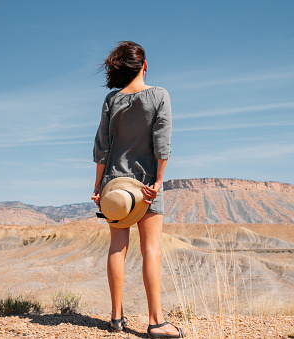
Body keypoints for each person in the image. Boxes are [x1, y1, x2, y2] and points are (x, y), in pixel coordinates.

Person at [91, 41, 185, 338]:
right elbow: (162, 142)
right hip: (145, 186)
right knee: (151, 250)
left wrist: (97, 187)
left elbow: (101, 148)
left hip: (115, 187)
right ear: (144, 65)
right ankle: (156, 322)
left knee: (117, 248)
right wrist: (158, 181)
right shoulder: (159, 95)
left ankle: (116, 317)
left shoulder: (111, 100)